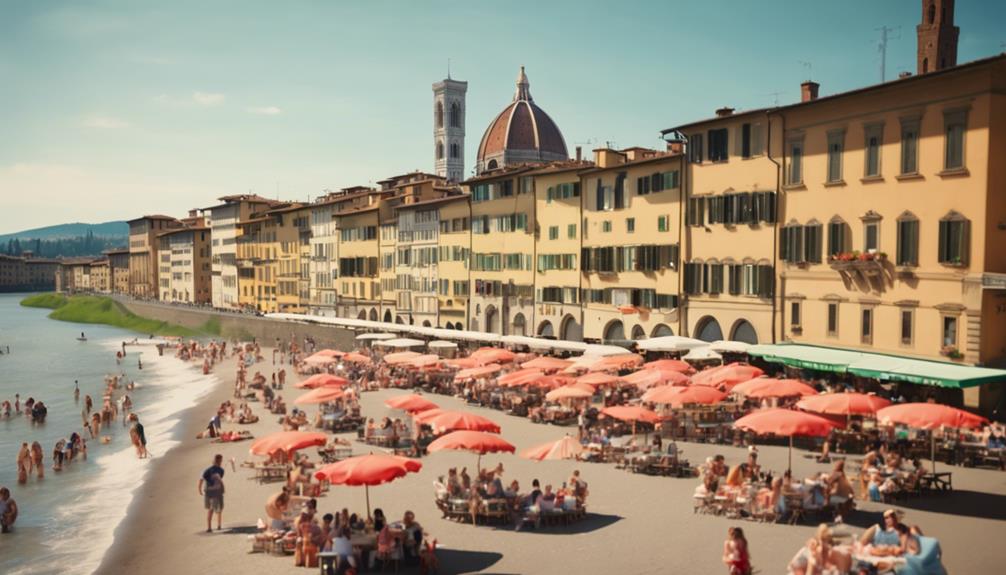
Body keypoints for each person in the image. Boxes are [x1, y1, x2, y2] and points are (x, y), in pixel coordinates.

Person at [198, 454, 226, 532]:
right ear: (219, 461)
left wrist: (199, 489)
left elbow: (201, 479)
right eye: (221, 460)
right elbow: (219, 480)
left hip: (210, 491)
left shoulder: (208, 470)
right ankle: (218, 526)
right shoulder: (221, 470)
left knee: (211, 509)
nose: (221, 462)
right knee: (218, 508)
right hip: (215, 491)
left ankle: (211, 527)